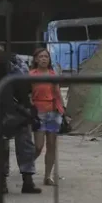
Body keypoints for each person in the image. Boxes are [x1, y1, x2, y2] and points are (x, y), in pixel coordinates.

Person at [0, 41, 41, 194]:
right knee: (14, 147)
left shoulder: (6, 64)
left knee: (15, 147)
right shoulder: (7, 62)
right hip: (10, 110)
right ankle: (19, 181)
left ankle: (15, 182)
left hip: (9, 110)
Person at [29, 48, 66, 186]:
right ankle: (27, 167)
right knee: (38, 146)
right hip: (39, 113)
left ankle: (47, 176)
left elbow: (57, 93)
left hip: (53, 112)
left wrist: (63, 110)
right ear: (36, 59)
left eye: (46, 56)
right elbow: (27, 93)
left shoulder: (52, 74)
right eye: (41, 56)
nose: (44, 59)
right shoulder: (31, 75)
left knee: (51, 145)